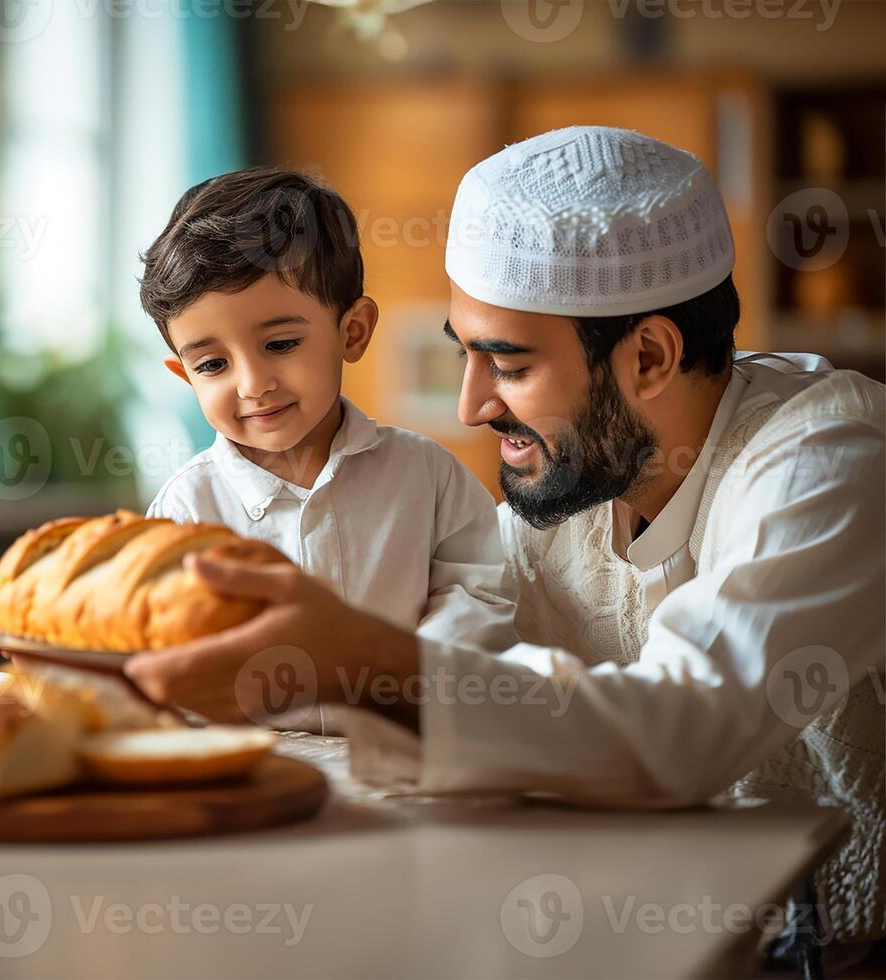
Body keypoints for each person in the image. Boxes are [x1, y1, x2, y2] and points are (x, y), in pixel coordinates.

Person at [125, 128, 884, 950]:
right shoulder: (571, 481)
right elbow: (484, 682)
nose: (470, 407)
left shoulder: (830, 459)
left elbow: (684, 730)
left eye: (508, 365)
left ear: (652, 356)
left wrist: (363, 659)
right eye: (466, 357)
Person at [138, 166, 517, 653]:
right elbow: (161, 641)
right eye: (212, 364)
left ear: (352, 331)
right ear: (185, 375)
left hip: (400, 725)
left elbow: (480, 597)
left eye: (281, 344)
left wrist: (403, 673)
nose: (253, 385)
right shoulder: (184, 511)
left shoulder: (428, 477)